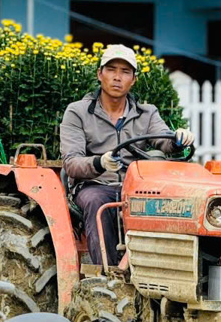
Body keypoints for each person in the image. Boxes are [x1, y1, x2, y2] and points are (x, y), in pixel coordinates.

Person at [59, 44, 195, 267]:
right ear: (99, 74)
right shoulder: (78, 112)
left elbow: (164, 140)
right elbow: (72, 163)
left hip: (137, 188)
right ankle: (108, 275)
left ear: (134, 79)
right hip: (95, 185)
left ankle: (164, 270)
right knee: (97, 202)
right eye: (111, 69)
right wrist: (100, 162)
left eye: (125, 72)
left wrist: (179, 139)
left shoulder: (147, 113)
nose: (117, 77)